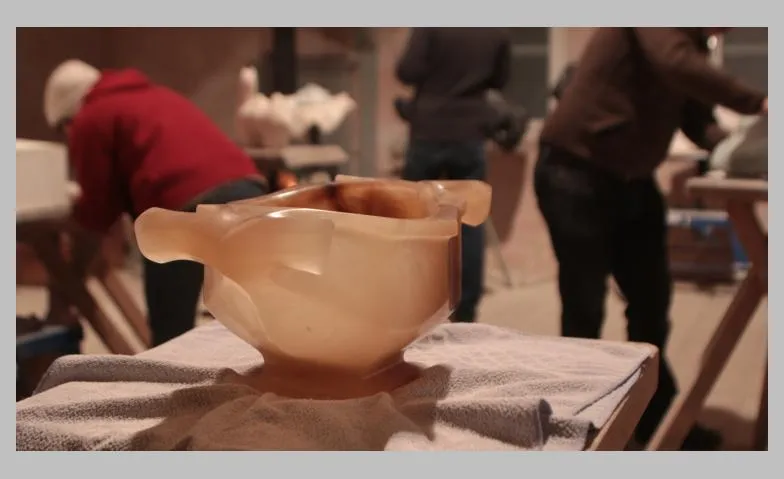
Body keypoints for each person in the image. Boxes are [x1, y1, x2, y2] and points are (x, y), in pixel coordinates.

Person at [534, 28, 767, 449]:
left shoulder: (689, 47)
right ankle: (575, 424)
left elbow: (698, 122)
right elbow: (675, 63)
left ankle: (652, 414)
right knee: (584, 303)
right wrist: (760, 102)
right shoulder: (663, 26)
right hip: (575, 170)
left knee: (652, 303)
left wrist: (747, 155)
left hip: (632, 180)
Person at [43, 59, 270, 347]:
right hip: (250, 189)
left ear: (67, 118)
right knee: (257, 321)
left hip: (183, 206)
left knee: (171, 333)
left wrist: (72, 269)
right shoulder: (154, 94)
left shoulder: (89, 118)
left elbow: (96, 213)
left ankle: (176, 374)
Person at [395, 27, 511, 323]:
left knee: (416, 218)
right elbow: (500, 79)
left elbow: (407, 70)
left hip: (429, 129)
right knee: (469, 221)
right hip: (470, 132)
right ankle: (466, 308)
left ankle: (414, 301)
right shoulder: (495, 28)